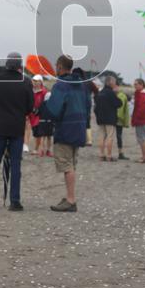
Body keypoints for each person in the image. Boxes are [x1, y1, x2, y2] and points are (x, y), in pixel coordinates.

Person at [0, 53, 34, 211]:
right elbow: (30, 106)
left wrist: (0, 111)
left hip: (0, 126)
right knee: (16, 164)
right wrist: (18, 113)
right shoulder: (26, 81)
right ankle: (15, 201)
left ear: (6, 64)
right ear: (19, 66)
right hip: (17, 127)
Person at [43, 55, 90, 212]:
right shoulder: (81, 84)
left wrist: (43, 107)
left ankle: (70, 200)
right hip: (79, 127)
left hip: (66, 128)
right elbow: (87, 105)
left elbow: (54, 110)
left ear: (60, 66)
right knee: (71, 164)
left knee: (67, 165)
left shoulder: (61, 85)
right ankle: (70, 197)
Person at [94, 74, 122, 161]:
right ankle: (109, 155)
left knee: (101, 136)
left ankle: (101, 155)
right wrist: (116, 93)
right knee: (110, 136)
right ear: (110, 83)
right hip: (110, 118)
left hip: (100, 118)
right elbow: (118, 104)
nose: (115, 83)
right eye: (113, 82)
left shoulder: (100, 93)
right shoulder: (111, 93)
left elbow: (96, 106)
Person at [130, 78, 145, 163]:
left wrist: (135, 119)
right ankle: (144, 156)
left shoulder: (142, 94)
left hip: (142, 119)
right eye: (134, 84)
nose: (134, 86)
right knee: (142, 138)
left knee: (142, 139)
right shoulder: (140, 93)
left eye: (136, 84)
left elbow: (141, 109)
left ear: (141, 85)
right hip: (144, 119)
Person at [30, 75, 52, 157]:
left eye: (37, 81)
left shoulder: (45, 92)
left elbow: (47, 105)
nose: (35, 83)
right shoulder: (31, 91)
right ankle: (39, 148)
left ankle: (39, 149)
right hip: (32, 114)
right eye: (34, 81)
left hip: (42, 115)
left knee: (40, 133)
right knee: (35, 132)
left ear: (41, 82)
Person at [115, 82, 130, 161]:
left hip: (117, 120)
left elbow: (123, 110)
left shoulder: (121, 96)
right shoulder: (121, 95)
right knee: (118, 136)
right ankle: (120, 153)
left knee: (118, 136)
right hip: (117, 119)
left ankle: (119, 153)